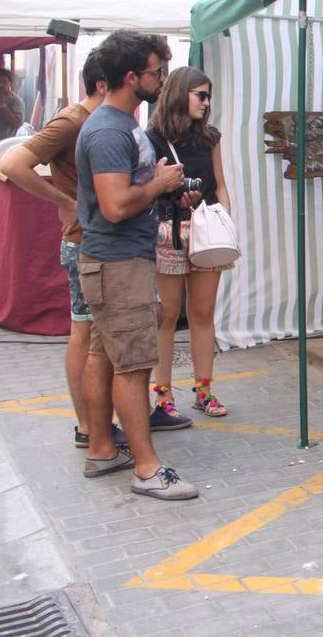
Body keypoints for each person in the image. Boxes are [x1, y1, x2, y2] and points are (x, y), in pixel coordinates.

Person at [75, 30, 199, 500]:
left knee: (105, 356)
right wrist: (159, 183)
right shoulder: (108, 130)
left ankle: (102, 448)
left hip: (119, 260)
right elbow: (114, 205)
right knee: (134, 366)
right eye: (156, 72)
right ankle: (147, 469)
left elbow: (129, 191)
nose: (162, 80)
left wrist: (166, 188)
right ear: (131, 77)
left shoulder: (122, 124)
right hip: (117, 263)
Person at [1, 51, 127, 451]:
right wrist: (64, 201)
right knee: (84, 331)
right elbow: (14, 163)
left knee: (91, 333)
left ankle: (95, 422)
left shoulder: (95, 120)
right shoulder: (74, 120)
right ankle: (88, 425)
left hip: (99, 240)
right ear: (103, 84)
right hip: (83, 240)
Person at [146, 67, 235, 425]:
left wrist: (223, 217)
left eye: (208, 95)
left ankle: (203, 390)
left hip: (205, 232)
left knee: (202, 313)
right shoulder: (152, 138)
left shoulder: (210, 138)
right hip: (169, 231)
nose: (206, 102)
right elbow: (149, 186)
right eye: (200, 95)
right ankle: (163, 396)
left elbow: (222, 183)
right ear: (180, 94)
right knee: (166, 317)